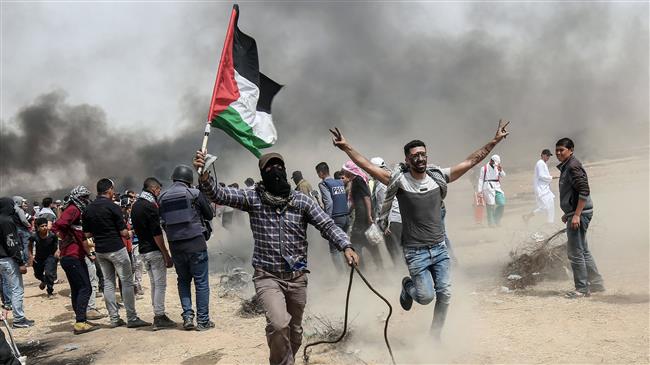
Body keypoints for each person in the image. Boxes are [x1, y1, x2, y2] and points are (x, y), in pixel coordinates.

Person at [330, 119, 510, 340]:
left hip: (439, 248)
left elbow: (470, 161)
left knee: (445, 294)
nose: (420, 158)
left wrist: (494, 141)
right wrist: (346, 146)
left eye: (423, 154)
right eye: (415, 155)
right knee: (425, 297)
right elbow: (367, 166)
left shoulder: (438, 177)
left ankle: (435, 336)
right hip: (416, 251)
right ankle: (408, 286)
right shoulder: (399, 180)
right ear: (407, 159)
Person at [194, 151, 359, 365]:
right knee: (279, 324)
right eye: (269, 169)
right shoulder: (253, 198)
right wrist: (205, 176)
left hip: (297, 277)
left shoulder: (301, 201)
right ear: (263, 174)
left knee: (295, 332)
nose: (275, 172)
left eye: (279, 167)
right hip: (267, 277)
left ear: (285, 169)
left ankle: (284, 359)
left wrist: (345, 245)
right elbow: (219, 195)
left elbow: (326, 223)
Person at [82, 178, 150, 328]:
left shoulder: (88, 209)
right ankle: (132, 318)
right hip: (116, 249)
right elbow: (124, 233)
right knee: (126, 282)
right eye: (113, 189)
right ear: (109, 190)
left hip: (100, 250)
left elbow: (86, 234)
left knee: (108, 283)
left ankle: (114, 318)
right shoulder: (113, 207)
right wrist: (131, 232)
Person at [158, 165, 215, 331]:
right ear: (189, 180)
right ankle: (203, 321)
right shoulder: (194, 194)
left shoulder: (162, 197)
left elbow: (162, 220)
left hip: (175, 245)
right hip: (196, 243)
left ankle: (188, 317)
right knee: (201, 283)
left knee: (183, 281)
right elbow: (209, 214)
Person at [555, 138, 605, 298]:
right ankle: (596, 284)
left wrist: (576, 214)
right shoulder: (567, 166)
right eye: (557, 150)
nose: (558, 153)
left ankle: (582, 289)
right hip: (577, 213)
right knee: (583, 250)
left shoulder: (573, 167)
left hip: (580, 214)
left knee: (575, 252)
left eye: (561, 150)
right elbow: (574, 194)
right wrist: (569, 212)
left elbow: (584, 191)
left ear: (571, 150)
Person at [52, 185, 105, 334]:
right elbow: (58, 225)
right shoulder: (73, 209)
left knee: (77, 289)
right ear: (77, 198)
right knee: (85, 287)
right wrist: (66, 236)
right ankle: (80, 323)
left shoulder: (76, 211)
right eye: (84, 197)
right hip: (72, 256)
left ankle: (80, 319)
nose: (86, 200)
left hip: (73, 256)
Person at [131, 177, 176, 330]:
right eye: (158, 190)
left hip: (143, 251)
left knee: (154, 284)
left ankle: (158, 314)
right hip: (154, 251)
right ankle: (159, 316)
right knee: (160, 285)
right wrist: (166, 254)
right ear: (154, 188)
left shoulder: (136, 206)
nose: (159, 192)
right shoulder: (150, 206)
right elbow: (157, 233)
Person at [342, 160, 384, 271]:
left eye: (345, 170)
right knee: (369, 243)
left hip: (363, 217)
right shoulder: (355, 181)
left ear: (350, 171)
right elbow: (356, 201)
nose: (343, 173)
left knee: (356, 243)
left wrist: (369, 215)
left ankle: (362, 270)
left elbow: (366, 197)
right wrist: (348, 211)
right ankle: (379, 268)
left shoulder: (359, 180)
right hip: (361, 216)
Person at [0, 198, 33, 329]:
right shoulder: (7, 221)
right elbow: (11, 243)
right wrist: (20, 262)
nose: (14, 208)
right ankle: (19, 319)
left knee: (6, 286)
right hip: (8, 260)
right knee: (17, 289)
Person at [315, 162, 349, 272]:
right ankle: (350, 270)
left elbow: (329, 203)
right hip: (346, 217)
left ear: (320, 173)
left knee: (334, 250)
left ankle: (342, 276)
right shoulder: (339, 182)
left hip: (335, 219)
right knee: (346, 245)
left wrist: (327, 220)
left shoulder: (323, 184)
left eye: (317, 173)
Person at [369, 158, 403, 265]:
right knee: (399, 248)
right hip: (398, 218)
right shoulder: (391, 178)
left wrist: (385, 224)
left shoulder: (381, 185)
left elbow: (385, 205)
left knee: (394, 249)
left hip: (391, 221)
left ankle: (401, 272)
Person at [523, 149, 556, 224]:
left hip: (546, 189)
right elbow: (541, 176)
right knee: (545, 207)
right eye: (547, 155)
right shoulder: (540, 163)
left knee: (551, 205)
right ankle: (528, 216)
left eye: (549, 156)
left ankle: (550, 222)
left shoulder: (543, 163)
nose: (548, 157)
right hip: (541, 189)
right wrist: (551, 177)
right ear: (543, 155)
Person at [28, 218, 59, 297]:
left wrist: (57, 251)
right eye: (42, 226)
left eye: (45, 225)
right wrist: (31, 256)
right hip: (39, 258)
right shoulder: (34, 236)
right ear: (37, 227)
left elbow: (58, 243)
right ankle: (44, 280)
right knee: (37, 274)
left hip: (50, 257)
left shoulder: (52, 235)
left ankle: (50, 291)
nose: (44, 227)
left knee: (49, 274)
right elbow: (30, 245)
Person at [478, 154, 506, 227]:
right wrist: (479, 191)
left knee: (501, 203)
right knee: (490, 205)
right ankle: (491, 223)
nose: (495, 165)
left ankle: (497, 219)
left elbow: (503, 176)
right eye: (494, 163)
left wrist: (501, 170)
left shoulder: (498, 167)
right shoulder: (484, 168)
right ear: (491, 160)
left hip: (497, 187)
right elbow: (481, 179)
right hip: (487, 187)